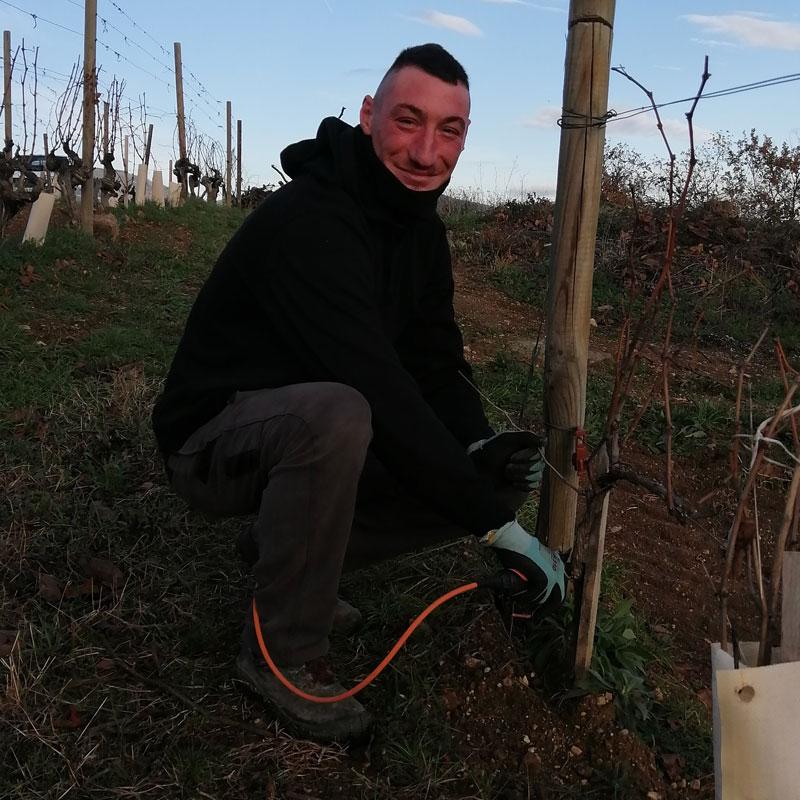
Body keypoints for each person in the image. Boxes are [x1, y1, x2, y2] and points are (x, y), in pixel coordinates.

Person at [152, 43, 565, 743]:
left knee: (471, 469)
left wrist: (479, 451)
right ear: (370, 115)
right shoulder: (312, 221)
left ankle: (280, 553)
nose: (427, 151)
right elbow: (375, 382)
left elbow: (434, 363)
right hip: (213, 438)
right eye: (408, 121)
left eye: (450, 130)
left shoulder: (420, 234)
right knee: (343, 414)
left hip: (300, 427)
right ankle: (280, 657)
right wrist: (494, 526)